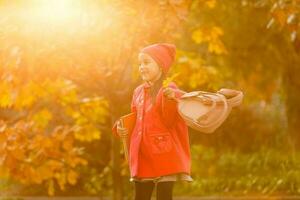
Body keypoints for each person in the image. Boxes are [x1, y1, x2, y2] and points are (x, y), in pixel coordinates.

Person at [112, 43, 192, 200]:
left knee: (164, 196)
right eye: (140, 63)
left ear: (161, 65)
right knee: (140, 196)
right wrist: (119, 127)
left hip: (163, 152)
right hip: (143, 154)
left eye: (147, 62)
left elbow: (171, 120)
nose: (142, 67)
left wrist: (171, 98)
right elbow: (134, 117)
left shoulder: (168, 88)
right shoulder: (138, 92)